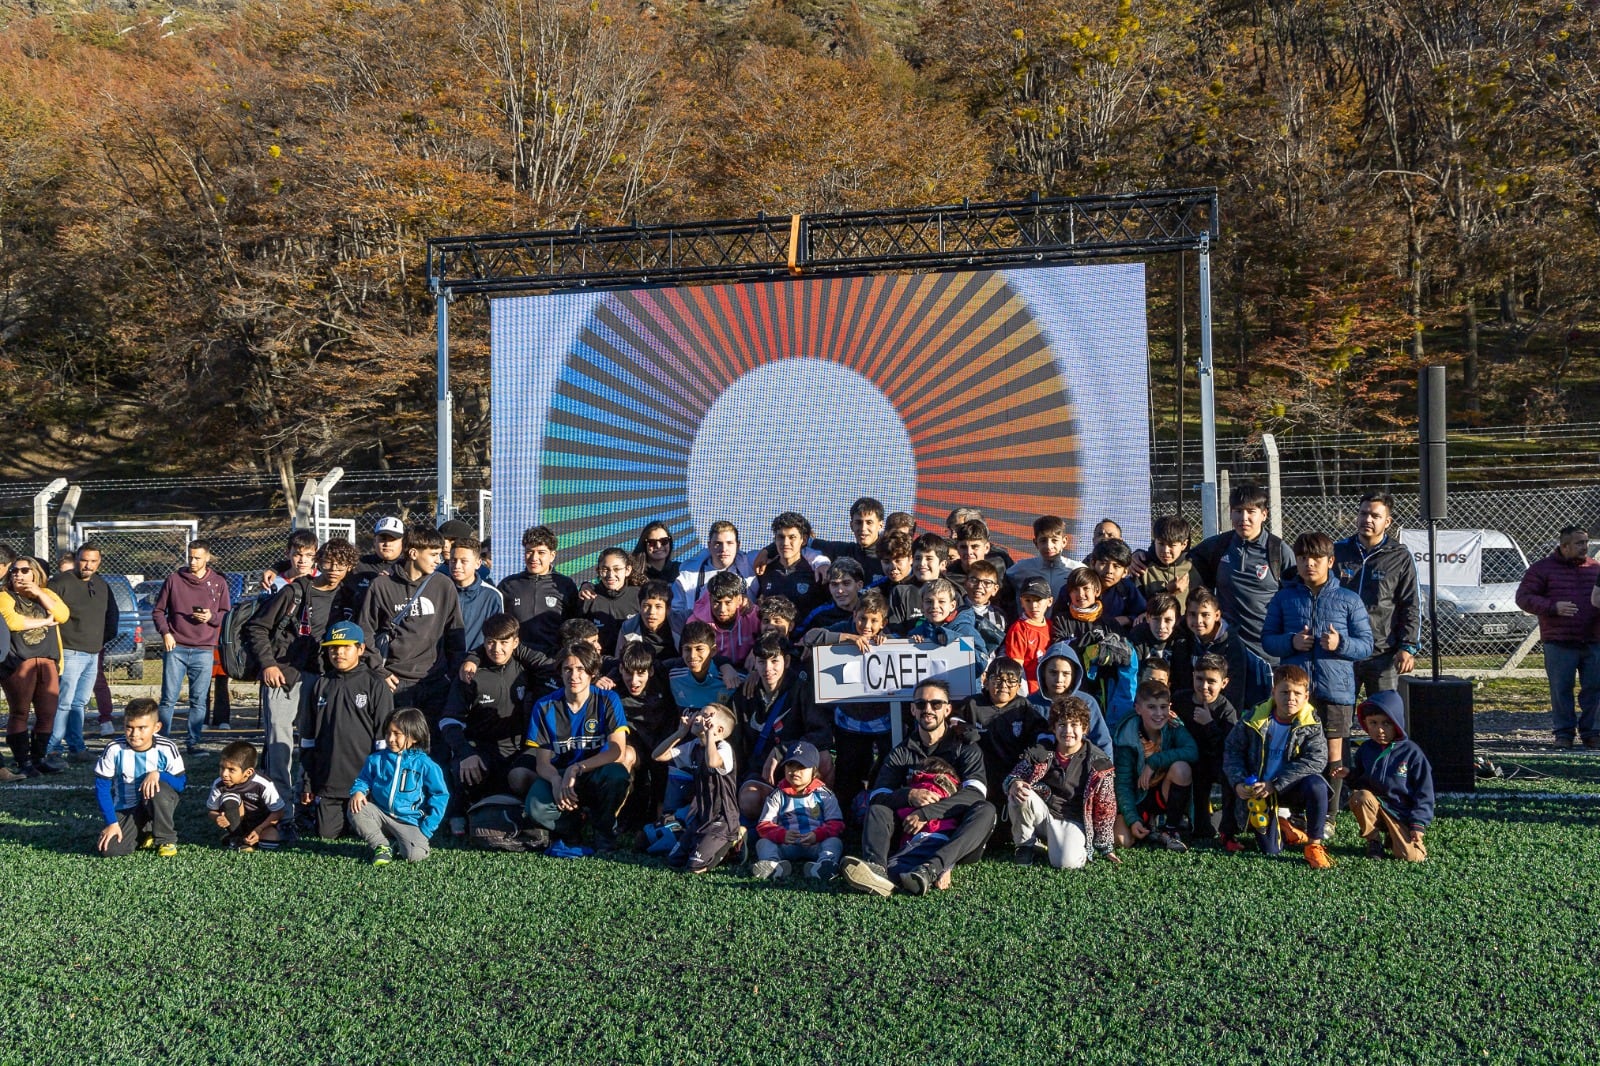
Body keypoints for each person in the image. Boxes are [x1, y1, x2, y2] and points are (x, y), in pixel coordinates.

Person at [841, 680, 996, 896]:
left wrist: (927, 812)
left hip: (954, 833)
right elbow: (878, 796)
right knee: (878, 810)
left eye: (936, 704)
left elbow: (975, 793)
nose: (928, 710)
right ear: (913, 709)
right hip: (910, 829)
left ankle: (933, 867)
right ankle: (876, 871)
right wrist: (909, 795)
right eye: (921, 704)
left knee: (986, 810)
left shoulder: (966, 747)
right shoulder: (901, 752)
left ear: (948, 709)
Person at [1261, 531, 1374, 827]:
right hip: (1295, 695)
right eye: (1302, 558)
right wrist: (1291, 642)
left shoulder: (1349, 600)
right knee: (1296, 750)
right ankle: (1297, 811)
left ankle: (1330, 818)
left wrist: (1342, 645)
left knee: (1334, 753)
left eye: (1316, 558)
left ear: (1330, 561)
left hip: (1336, 691)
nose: (1309, 563)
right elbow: (1268, 640)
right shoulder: (1284, 597)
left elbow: (1366, 644)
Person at [247, 538, 360, 805]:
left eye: (341, 564)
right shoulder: (296, 591)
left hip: (324, 678)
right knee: (280, 745)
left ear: (349, 567)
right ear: (318, 561)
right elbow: (257, 628)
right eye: (329, 562)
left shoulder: (349, 595)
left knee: (316, 741)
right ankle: (279, 807)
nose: (334, 568)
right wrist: (269, 664)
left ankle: (306, 798)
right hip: (285, 675)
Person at [523, 641, 631, 853]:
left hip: (594, 772)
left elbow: (616, 750)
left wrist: (578, 768)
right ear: (560, 673)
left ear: (592, 672)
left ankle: (604, 831)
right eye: (568, 669)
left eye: (581, 669)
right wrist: (555, 780)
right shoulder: (544, 706)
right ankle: (572, 829)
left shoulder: (608, 700)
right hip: (561, 774)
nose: (574, 676)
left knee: (618, 774)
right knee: (535, 806)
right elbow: (542, 763)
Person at [1223, 665, 1333, 869]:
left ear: (1306, 696)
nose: (1290, 698)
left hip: (1289, 787)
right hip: (1259, 791)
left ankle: (1314, 845)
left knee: (1317, 785)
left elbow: (1317, 760)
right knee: (1271, 851)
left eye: (1297, 693)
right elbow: (1232, 751)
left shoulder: (1312, 723)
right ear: (1273, 692)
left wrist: (1275, 783)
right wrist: (1238, 782)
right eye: (1284, 692)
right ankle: (1286, 828)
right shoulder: (1253, 718)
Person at [356, 526, 466, 718]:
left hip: (435, 681)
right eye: (433, 555)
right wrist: (378, 670)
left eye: (440, 555)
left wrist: (452, 675)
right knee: (396, 742)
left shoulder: (443, 585)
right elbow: (365, 631)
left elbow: (455, 634)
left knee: (434, 744)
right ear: (414, 553)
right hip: (394, 682)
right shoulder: (382, 586)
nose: (438, 561)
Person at [298, 621, 393, 840]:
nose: (338, 652)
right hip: (329, 783)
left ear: (360, 649)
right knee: (327, 835)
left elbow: (384, 743)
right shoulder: (320, 685)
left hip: (364, 786)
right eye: (333, 647)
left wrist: (377, 784)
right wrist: (308, 782)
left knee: (364, 833)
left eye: (346, 647)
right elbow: (308, 740)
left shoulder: (375, 684)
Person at [1186, 483, 1297, 663]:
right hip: (1227, 651)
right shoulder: (1218, 545)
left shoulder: (1279, 551)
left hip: (1268, 654)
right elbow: (1177, 555)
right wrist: (1141, 556)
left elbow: (1295, 601)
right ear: (1230, 513)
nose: (1243, 518)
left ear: (1264, 514)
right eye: (1238, 511)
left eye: (1250, 511)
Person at [1004, 695, 1118, 868]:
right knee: (1019, 792)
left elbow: (1105, 806)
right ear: (1054, 728)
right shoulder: (1041, 752)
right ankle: (1025, 846)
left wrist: (1105, 845)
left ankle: (1063, 847)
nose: (1068, 731)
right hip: (1043, 814)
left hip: (1074, 820)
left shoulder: (1098, 762)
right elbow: (1013, 776)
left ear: (1085, 728)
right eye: (1062, 725)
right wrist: (1014, 783)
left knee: (1065, 863)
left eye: (1074, 725)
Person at [1333, 492, 1421, 697]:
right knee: (1338, 718)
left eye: (1375, 516)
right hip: (1342, 651)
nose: (1367, 520)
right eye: (1363, 514)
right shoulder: (1337, 551)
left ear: (1387, 521)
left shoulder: (1399, 557)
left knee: (1384, 717)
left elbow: (1411, 603)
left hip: (1382, 653)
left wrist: (1407, 646)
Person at [1520, 525, 1600, 748]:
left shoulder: (1595, 569)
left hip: (1593, 639)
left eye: (1585, 542)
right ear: (1564, 546)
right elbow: (1524, 597)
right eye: (1579, 543)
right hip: (1559, 641)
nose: (1585, 547)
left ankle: (1592, 733)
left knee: (1595, 687)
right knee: (1561, 688)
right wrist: (1552, 607)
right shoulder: (1542, 569)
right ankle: (1564, 734)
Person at [1332, 690, 1434, 861]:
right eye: (1373, 723)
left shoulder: (1412, 753)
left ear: (1397, 723)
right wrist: (1350, 775)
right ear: (1365, 723)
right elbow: (1362, 781)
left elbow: (1425, 792)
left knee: (1411, 857)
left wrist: (1418, 823)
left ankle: (1394, 837)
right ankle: (1374, 841)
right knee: (1360, 797)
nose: (1379, 730)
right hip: (1376, 806)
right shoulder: (1366, 749)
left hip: (1401, 813)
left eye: (1386, 723)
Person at [152, 540, 231, 755]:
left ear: (207, 557)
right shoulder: (174, 580)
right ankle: (162, 742)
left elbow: (226, 613)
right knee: (169, 698)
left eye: (197, 557)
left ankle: (193, 742)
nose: (193, 561)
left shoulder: (218, 582)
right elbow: (158, 611)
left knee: (199, 699)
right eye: (190, 557)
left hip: (204, 648)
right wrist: (166, 633)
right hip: (176, 647)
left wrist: (210, 616)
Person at [348, 708, 451, 865]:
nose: (390, 738)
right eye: (388, 732)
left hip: (410, 821)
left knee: (414, 857)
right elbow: (363, 779)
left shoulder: (426, 765)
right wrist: (358, 791)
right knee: (356, 808)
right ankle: (381, 846)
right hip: (380, 815)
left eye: (397, 734)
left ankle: (400, 842)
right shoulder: (376, 759)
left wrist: (427, 827)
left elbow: (440, 796)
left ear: (414, 737)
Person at [48, 543, 119, 764]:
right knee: (63, 702)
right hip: (69, 652)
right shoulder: (60, 583)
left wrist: (100, 641)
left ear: (100, 562)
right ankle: (52, 749)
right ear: (77, 559)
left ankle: (76, 748)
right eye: (84, 560)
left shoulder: (102, 584)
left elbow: (111, 615)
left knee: (80, 703)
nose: (87, 565)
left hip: (93, 653)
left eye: (93, 561)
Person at [0, 556, 71, 777]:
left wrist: (39, 593)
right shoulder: (4, 596)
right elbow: (12, 622)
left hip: (47, 660)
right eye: (14, 571)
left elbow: (63, 615)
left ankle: (39, 759)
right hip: (20, 661)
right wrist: (45, 622)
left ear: (35, 573)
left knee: (47, 713)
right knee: (20, 712)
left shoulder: (47, 594)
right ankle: (23, 762)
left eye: (24, 570)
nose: (18, 574)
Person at [94, 698, 187, 856]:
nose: (134, 734)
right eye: (129, 727)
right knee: (110, 850)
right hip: (127, 807)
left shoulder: (167, 747)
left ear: (156, 727)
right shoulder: (114, 749)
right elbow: (101, 788)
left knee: (159, 790)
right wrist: (112, 823)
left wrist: (159, 774)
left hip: (157, 800)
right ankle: (147, 829)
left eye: (142, 728)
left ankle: (166, 839)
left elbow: (181, 784)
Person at [656, 702, 742, 873]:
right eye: (700, 713)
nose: (698, 717)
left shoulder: (724, 748)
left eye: (706, 715)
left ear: (719, 731)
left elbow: (712, 762)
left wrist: (709, 735)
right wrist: (680, 733)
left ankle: (735, 839)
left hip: (723, 819)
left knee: (695, 867)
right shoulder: (694, 746)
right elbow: (658, 755)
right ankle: (707, 842)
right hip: (702, 817)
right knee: (674, 860)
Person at [1112, 680, 1197, 851]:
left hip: (1164, 792)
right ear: (1138, 709)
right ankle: (1149, 827)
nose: (1159, 713)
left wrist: (1154, 762)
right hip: (1139, 796)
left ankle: (1171, 829)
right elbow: (1123, 784)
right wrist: (1132, 819)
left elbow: (1192, 751)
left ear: (1170, 707)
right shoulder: (1127, 735)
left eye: (1163, 707)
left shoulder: (1174, 725)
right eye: (1151, 707)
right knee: (1121, 840)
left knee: (1181, 769)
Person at [752, 740, 845, 881]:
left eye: (801, 767)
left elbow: (837, 824)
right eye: (790, 765)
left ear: (814, 770)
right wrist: (782, 835)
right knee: (763, 843)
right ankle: (774, 864)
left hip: (815, 842)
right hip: (787, 844)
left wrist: (817, 835)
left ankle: (824, 864)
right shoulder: (777, 794)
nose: (794, 771)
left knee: (834, 842)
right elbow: (763, 826)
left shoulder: (825, 794)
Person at [1173, 652, 1239, 846]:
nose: (1204, 686)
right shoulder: (1180, 700)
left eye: (1211, 681)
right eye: (1199, 679)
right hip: (1187, 761)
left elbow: (1230, 748)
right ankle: (1175, 820)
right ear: (1193, 676)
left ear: (1224, 683)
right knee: (1199, 830)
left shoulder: (1227, 710)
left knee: (1204, 832)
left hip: (1214, 763)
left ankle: (1228, 823)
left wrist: (1209, 723)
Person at [499, 525, 579, 656]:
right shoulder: (508, 585)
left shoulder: (565, 585)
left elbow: (574, 626)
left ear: (552, 555)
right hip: (516, 659)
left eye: (541, 552)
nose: (534, 558)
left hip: (551, 660)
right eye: (529, 551)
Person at [1029, 643, 1114, 753]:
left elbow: (1102, 742)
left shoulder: (1087, 703)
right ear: (1043, 672)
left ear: (1075, 675)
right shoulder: (1029, 704)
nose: (1059, 679)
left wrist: (1105, 769)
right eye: (1053, 672)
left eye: (1066, 674)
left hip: (1080, 767)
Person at [671, 521, 755, 630]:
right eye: (718, 543)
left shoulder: (751, 564)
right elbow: (676, 614)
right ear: (709, 545)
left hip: (742, 638)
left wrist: (768, 551)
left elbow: (779, 549)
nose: (724, 549)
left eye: (729, 543)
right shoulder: (687, 575)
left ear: (738, 545)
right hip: (703, 638)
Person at [205, 740, 286, 851]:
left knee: (270, 843)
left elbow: (278, 812)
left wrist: (259, 830)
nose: (224, 774)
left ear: (248, 772)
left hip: (261, 824)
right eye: (222, 768)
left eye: (231, 770)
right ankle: (236, 838)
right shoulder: (219, 784)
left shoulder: (263, 784)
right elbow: (211, 810)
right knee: (230, 797)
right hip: (237, 822)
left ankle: (244, 839)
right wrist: (217, 817)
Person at [755, 512, 829, 618]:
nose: (785, 543)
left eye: (792, 537)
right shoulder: (764, 570)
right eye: (781, 537)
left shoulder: (815, 572)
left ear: (803, 540)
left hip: (807, 633)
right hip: (772, 633)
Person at [577, 547, 642, 654]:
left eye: (617, 569)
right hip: (597, 664)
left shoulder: (639, 596)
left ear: (628, 570)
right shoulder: (588, 597)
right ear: (598, 570)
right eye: (605, 569)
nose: (610, 575)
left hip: (630, 665)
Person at [1006, 515, 1082, 604]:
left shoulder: (1077, 570)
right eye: (1043, 541)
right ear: (1035, 543)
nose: (1049, 546)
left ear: (1064, 541)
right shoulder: (1021, 569)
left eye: (1054, 540)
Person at [690, 570, 761, 664]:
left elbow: (772, 637)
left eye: (728, 602)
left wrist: (756, 652)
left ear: (739, 599)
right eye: (716, 602)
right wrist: (723, 666)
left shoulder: (753, 615)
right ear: (709, 598)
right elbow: (692, 656)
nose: (722, 609)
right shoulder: (696, 622)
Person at [811, 497, 886, 582]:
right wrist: (821, 562)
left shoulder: (889, 556)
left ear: (880, 525)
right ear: (851, 525)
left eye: (869, 522)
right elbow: (805, 542)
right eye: (858, 522)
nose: (863, 528)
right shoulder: (842, 551)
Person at [450, 535, 505, 652]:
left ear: (478, 563)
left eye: (464, 561)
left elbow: (497, 636)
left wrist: (475, 659)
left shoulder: (492, 596)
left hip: (476, 665)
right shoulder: (440, 591)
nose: (457, 566)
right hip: (442, 666)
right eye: (453, 560)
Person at [1002, 577, 1054, 694]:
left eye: (1038, 600)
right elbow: (1015, 668)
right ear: (1021, 602)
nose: (1033, 605)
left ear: (1049, 601)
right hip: (1030, 691)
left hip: (1050, 688)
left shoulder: (1053, 626)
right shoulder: (1018, 629)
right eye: (1028, 600)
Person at [797, 557, 865, 638]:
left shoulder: (874, 609)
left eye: (846, 583)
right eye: (834, 584)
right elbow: (797, 641)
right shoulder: (818, 615)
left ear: (859, 585)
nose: (840, 590)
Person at [1089, 539, 1145, 633]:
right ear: (1093, 563)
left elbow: (1144, 614)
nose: (1109, 571)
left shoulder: (1126, 589)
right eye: (1103, 563)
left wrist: (1127, 619)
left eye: (1116, 566)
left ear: (1125, 571)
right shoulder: (1079, 585)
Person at [1141, 514, 1196, 610]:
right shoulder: (1141, 566)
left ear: (1184, 544)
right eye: (1161, 544)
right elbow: (1137, 606)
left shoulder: (1194, 566)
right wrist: (1167, 591)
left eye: (1172, 545)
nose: (1166, 550)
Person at [615, 580, 677, 661]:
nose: (651, 612)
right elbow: (620, 661)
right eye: (646, 606)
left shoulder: (681, 623)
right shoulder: (628, 628)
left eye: (658, 606)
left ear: (668, 609)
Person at [350, 516, 406, 605]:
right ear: (374, 541)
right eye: (383, 539)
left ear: (402, 542)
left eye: (393, 539)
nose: (387, 544)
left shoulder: (408, 567)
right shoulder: (357, 565)